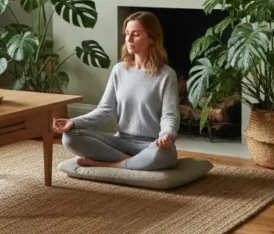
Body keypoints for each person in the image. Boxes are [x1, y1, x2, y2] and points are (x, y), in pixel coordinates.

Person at [53, 11, 179, 171]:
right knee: (70, 137)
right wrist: (74, 122)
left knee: (166, 155)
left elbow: (170, 115)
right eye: (127, 34)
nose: (129, 39)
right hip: (120, 142)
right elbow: (104, 110)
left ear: (152, 38)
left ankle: (110, 164)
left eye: (136, 34)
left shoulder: (167, 75)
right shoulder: (119, 70)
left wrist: (166, 135)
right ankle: (130, 162)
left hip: (151, 144)